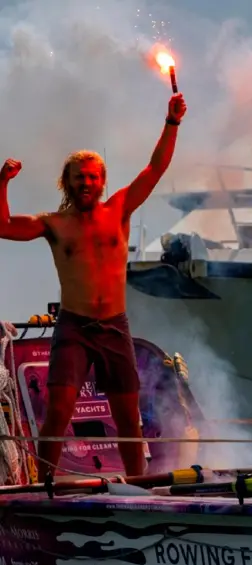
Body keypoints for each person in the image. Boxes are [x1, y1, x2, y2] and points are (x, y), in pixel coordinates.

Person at [0, 93, 188, 479]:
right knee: (57, 413)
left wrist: (171, 123)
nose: (85, 182)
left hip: (114, 327)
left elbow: (155, 169)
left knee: (128, 420)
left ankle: (139, 490)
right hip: (74, 328)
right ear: (66, 182)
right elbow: (2, 226)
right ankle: (47, 485)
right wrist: (2, 181)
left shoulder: (119, 209)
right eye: (78, 177)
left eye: (92, 177)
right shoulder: (52, 223)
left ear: (102, 181)